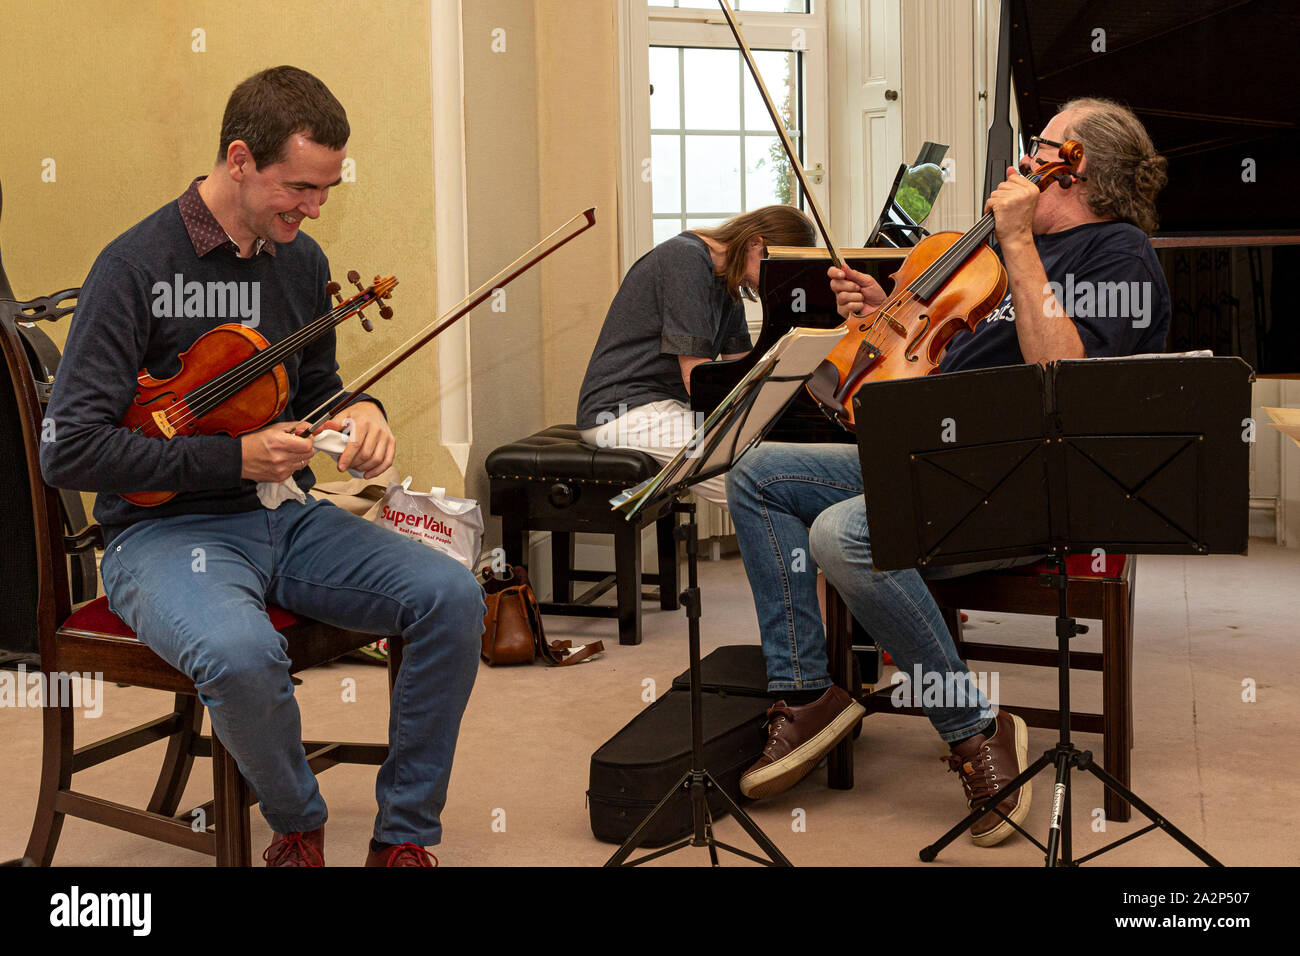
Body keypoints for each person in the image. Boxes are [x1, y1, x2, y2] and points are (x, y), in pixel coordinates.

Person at [40, 66, 484, 867]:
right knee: (241, 654)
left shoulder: (299, 262)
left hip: (287, 512)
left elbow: (318, 391)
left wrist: (363, 412)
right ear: (240, 160)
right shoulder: (133, 267)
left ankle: (404, 837)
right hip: (164, 533)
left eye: (326, 189)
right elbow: (68, 448)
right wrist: (231, 456)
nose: (314, 208)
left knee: (450, 594)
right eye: (301, 187)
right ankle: (297, 822)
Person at [729, 97, 1171, 847]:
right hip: (943, 461)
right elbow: (943, 350)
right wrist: (887, 309)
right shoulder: (1002, 253)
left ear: (1077, 165)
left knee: (846, 533)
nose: (1027, 155)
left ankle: (975, 728)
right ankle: (807, 690)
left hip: (1032, 482)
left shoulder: (1116, 254)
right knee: (755, 471)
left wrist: (1020, 245)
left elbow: (1064, 381)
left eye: (1042, 144)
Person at [576, 206, 816, 504]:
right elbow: (697, 380)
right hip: (623, 410)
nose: (775, 280)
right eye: (776, 265)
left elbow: (741, 371)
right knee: (758, 485)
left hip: (666, 406)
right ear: (756, 243)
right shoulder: (686, 258)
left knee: (771, 471)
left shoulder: (728, 281)